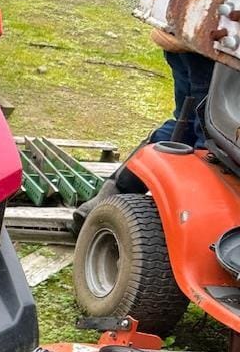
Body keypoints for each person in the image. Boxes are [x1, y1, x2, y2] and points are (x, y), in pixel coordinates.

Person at [73, 29, 216, 231]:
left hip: (185, 34)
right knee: (212, 136)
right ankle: (199, 229)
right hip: (213, 47)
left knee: (185, 124)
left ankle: (106, 199)